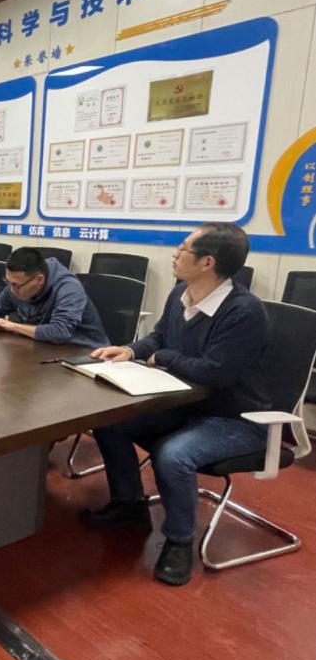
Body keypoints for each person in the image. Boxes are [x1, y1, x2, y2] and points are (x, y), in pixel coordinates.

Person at [82, 222, 270, 587]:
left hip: (236, 418)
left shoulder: (244, 312)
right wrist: (131, 351)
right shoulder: (180, 293)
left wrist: (163, 358)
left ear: (207, 262)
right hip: (185, 403)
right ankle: (129, 505)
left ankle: (179, 541)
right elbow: (159, 338)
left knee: (173, 454)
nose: (175, 253)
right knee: (110, 421)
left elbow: (216, 373)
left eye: (184, 248)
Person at [0, 247, 109, 349]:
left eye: (16, 285)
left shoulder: (68, 288)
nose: (12, 289)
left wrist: (13, 326)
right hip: (43, 348)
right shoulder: (19, 284)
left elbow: (59, 332)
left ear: (39, 280)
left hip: (84, 353)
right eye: (8, 282)